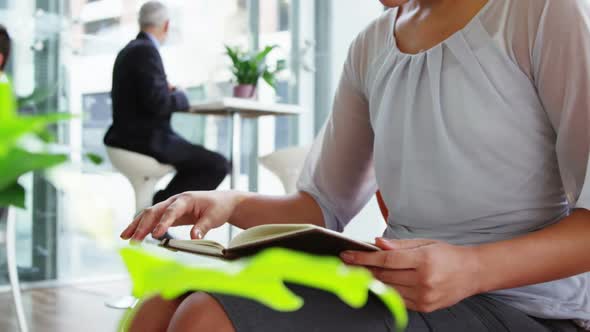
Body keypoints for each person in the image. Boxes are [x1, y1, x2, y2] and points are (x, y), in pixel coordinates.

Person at [120, 0, 590, 331]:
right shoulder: (371, 45)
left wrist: (472, 269)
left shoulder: (542, 11)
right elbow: (320, 208)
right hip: (398, 287)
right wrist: (229, 202)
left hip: (524, 307)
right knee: (158, 306)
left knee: (205, 320)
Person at [104, 1, 229, 205]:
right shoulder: (146, 51)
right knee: (217, 164)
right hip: (143, 140)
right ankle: (160, 209)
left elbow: (148, 95)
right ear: (167, 25)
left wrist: (165, 90)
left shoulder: (130, 50)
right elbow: (159, 103)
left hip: (128, 136)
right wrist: (180, 95)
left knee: (202, 160)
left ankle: (158, 210)